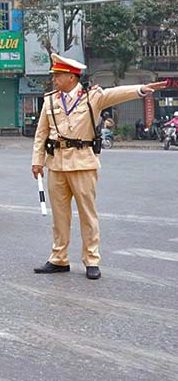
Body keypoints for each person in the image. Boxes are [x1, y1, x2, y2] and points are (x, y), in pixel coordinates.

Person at [32, 54, 168, 279]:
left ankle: (91, 260)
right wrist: (37, 161)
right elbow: (41, 134)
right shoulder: (50, 100)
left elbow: (115, 94)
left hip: (83, 163)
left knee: (88, 215)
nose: (54, 79)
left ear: (71, 77)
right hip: (56, 164)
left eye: (58, 75)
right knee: (60, 216)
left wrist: (142, 90)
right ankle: (59, 258)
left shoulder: (92, 97)